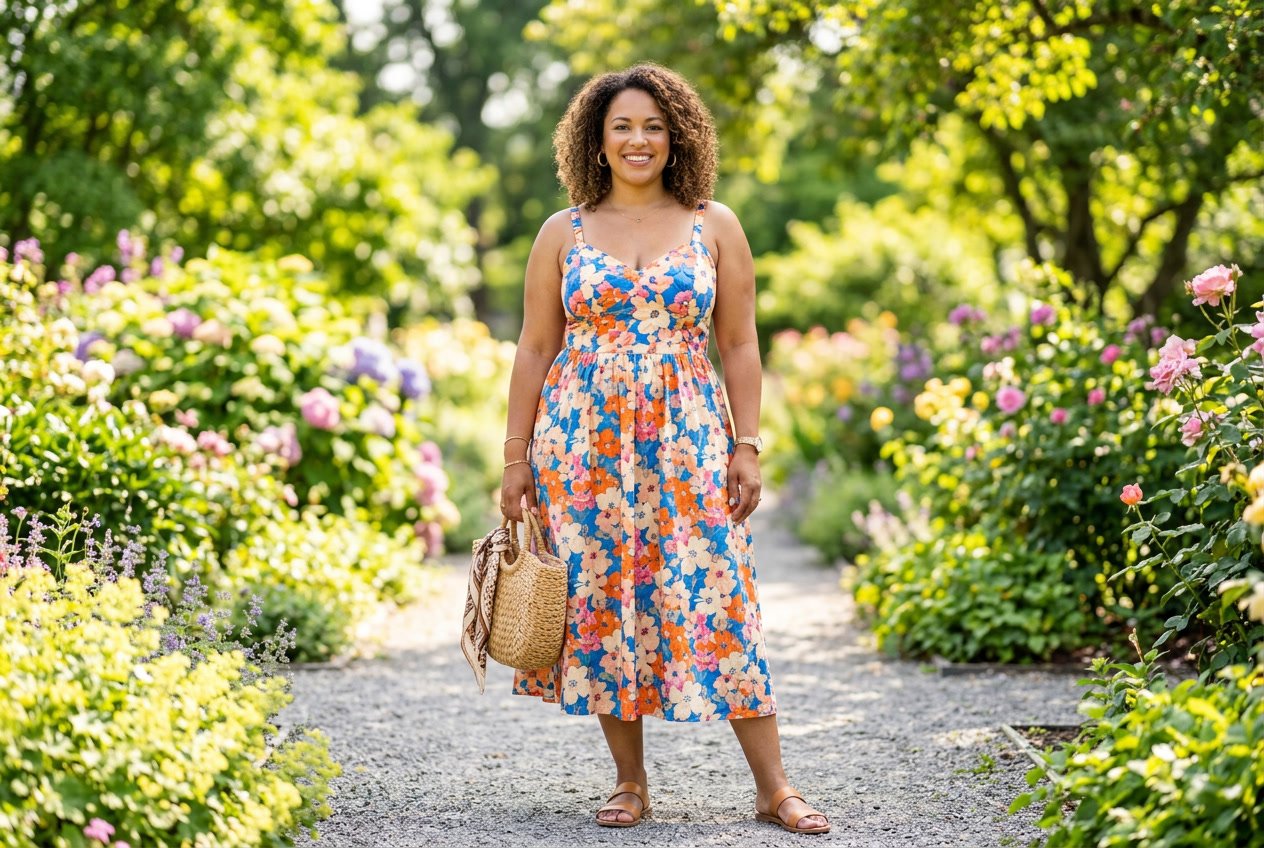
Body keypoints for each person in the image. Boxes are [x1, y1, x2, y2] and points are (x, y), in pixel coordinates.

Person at [499, 63, 829, 835]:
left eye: (652, 125)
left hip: (689, 442)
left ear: (676, 135)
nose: (638, 139)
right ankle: (629, 780)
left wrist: (747, 444)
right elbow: (534, 346)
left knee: (722, 598)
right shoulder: (562, 231)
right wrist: (516, 457)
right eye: (622, 126)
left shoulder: (717, 224)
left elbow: (741, 343)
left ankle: (774, 786)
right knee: (603, 602)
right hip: (582, 450)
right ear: (597, 140)